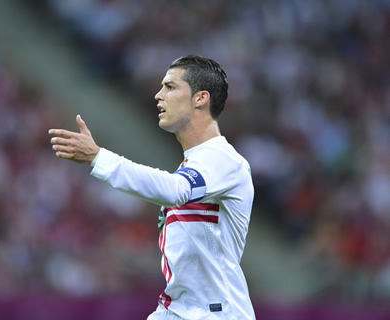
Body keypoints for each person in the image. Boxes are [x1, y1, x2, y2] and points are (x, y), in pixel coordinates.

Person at [49, 55, 256, 320]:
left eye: (170, 87)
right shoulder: (195, 166)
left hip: (217, 313)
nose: (158, 95)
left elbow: (174, 190)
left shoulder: (222, 159)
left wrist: (99, 158)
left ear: (200, 98)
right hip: (179, 309)